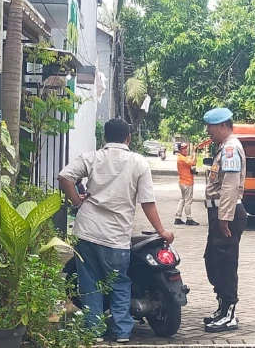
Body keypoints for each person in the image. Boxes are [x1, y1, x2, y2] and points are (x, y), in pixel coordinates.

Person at [58, 118, 175, 343]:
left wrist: (76, 201)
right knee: (120, 282)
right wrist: (161, 231)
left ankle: (94, 331)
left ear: (105, 137)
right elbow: (147, 202)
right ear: (128, 138)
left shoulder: (92, 157)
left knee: (89, 283)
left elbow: (65, 176)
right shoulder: (138, 163)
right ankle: (122, 332)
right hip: (116, 236)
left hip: (87, 232)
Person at [202, 108, 248, 333]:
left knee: (225, 265)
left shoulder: (230, 149)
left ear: (222, 126)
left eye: (210, 127)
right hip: (220, 213)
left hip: (226, 214)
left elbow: (229, 186)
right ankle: (222, 309)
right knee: (213, 261)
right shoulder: (224, 147)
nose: (208, 131)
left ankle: (229, 314)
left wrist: (224, 218)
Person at [174, 142, 200, 226]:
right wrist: (195, 153)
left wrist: (193, 154)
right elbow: (193, 162)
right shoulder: (181, 158)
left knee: (183, 199)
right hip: (187, 182)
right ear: (180, 150)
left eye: (186, 148)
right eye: (183, 148)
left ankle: (178, 217)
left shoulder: (183, 157)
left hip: (183, 182)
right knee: (188, 201)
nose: (185, 150)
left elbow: (192, 161)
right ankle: (189, 218)